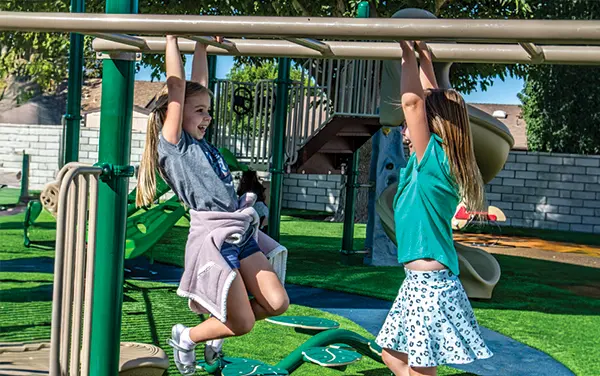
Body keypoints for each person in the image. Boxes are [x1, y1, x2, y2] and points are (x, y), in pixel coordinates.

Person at [136, 35, 289, 375]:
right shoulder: (174, 145)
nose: (207, 117)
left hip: (238, 231)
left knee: (277, 302)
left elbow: (194, 85)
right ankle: (188, 336)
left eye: (209, 111)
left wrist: (203, 44)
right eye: (199, 111)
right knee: (244, 322)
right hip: (213, 237)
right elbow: (178, 88)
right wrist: (173, 39)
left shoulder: (200, 142)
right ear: (173, 115)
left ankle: (218, 326)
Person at [375, 40, 493, 376]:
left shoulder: (435, 161)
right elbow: (426, 101)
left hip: (430, 286)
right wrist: (425, 60)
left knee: (420, 369)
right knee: (392, 355)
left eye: (414, 121)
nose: (406, 127)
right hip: (417, 284)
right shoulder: (429, 161)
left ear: (433, 125)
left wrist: (405, 54)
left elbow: (413, 102)